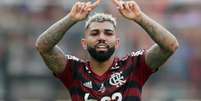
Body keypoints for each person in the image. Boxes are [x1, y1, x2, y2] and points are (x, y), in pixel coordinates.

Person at [35, 0, 179, 100]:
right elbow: (43, 47)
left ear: (117, 43)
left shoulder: (133, 66)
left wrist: (139, 17)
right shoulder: (74, 70)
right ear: (84, 43)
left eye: (108, 33)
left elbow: (170, 46)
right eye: (95, 33)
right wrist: (71, 18)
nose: (102, 37)